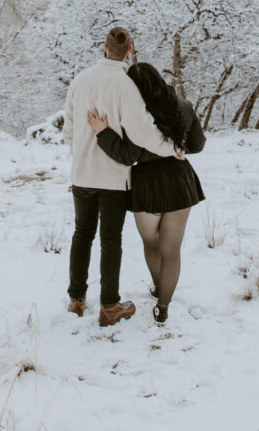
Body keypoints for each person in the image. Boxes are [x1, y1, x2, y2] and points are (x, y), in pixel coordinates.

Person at [63, 27, 177, 327]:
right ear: (129, 51)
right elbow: (141, 131)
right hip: (113, 178)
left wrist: (80, 157)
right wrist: (172, 148)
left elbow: (69, 129)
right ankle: (109, 305)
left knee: (81, 234)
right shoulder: (125, 84)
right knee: (110, 240)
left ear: (104, 47)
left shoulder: (80, 80)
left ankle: (76, 299)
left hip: (82, 174)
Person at [87, 62, 205, 324]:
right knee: (171, 248)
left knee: (151, 243)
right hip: (178, 179)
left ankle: (157, 285)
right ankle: (163, 305)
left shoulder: (135, 114)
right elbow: (198, 143)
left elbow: (126, 155)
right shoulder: (182, 106)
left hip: (147, 184)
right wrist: (179, 148)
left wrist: (103, 133)